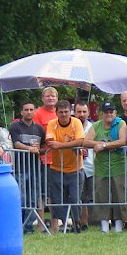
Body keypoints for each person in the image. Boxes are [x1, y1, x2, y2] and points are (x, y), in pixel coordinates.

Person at [85, 101, 127, 231]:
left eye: (111, 112)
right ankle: (104, 225)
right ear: (102, 114)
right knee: (101, 195)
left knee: (119, 195)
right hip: (101, 166)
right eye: (106, 112)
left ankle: (119, 225)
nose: (109, 114)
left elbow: (122, 141)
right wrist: (101, 143)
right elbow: (86, 141)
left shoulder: (120, 123)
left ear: (115, 113)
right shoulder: (96, 126)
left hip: (118, 165)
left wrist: (105, 145)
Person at [43, 99, 85, 233]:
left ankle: (77, 224)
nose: (64, 114)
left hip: (75, 168)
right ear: (56, 113)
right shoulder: (52, 124)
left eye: (66, 112)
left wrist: (61, 145)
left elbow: (80, 140)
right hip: (57, 167)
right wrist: (71, 144)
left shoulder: (76, 122)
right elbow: (50, 142)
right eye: (60, 112)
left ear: (70, 112)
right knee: (57, 199)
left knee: (75, 198)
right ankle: (61, 225)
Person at [9, 100, 45, 230]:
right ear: (21, 112)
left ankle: (28, 226)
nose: (29, 112)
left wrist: (38, 149)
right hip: (20, 168)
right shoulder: (15, 126)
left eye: (31, 109)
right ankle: (18, 226)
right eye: (26, 109)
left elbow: (44, 147)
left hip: (35, 168)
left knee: (33, 198)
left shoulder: (39, 128)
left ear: (35, 111)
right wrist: (30, 148)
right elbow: (16, 144)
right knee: (21, 198)